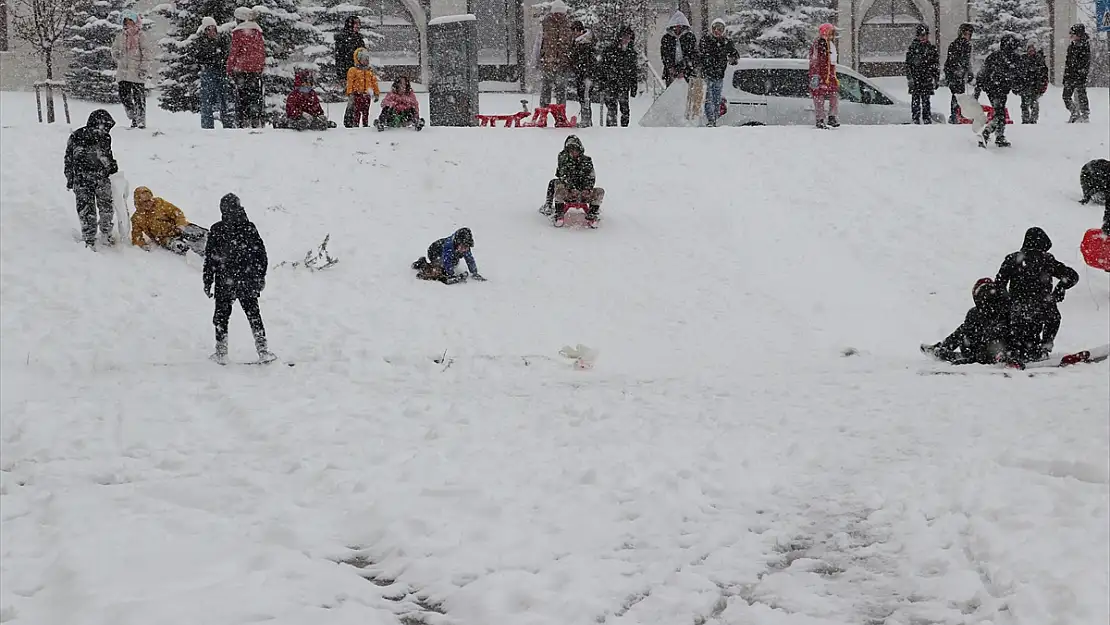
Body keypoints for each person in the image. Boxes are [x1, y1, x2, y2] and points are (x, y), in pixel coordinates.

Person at [203, 193, 273, 365]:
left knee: (221, 316)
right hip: (246, 279)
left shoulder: (217, 229)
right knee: (253, 314)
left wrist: (208, 280)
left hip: (224, 279)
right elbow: (261, 255)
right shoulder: (249, 227)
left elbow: (210, 258)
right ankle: (263, 350)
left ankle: (221, 351)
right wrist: (259, 276)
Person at [995, 227, 1079, 361]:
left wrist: (1007, 302)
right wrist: (1059, 290)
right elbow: (1072, 276)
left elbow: (999, 284)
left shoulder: (1013, 259)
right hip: (1042, 308)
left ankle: (1012, 351)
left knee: (1017, 333)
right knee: (1054, 318)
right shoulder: (1047, 260)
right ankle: (1043, 348)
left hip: (1017, 310)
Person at [64, 109, 119, 250]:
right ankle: (96, 236)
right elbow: (71, 157)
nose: (106, 129)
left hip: (92, 178)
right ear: (98, 123)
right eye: (104, 125)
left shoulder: (102, 137)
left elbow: (106, 155)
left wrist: (112, 166)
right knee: (95, 208)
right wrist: (70, 176)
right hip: (89, 179)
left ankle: (98, 236)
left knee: (96, 208)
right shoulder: (83, 136)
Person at [924, 278, 1012, 365]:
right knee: (965, 329)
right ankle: (943, 348)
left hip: (988, 353)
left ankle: (943, 349)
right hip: (990, 350)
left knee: (965, 330)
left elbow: (992, 333)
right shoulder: (1003, 308)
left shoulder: (985, 312)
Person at [540, 135, 604, 228]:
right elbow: (563, 175)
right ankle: (559, 213)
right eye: (571, 150)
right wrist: (571, 188)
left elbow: (591, 177)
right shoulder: (563, 159)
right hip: (568, 192)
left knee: (599, 191)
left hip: (583, 192)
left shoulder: (587, 161)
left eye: (575, 149)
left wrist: (587, 189)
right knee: (557, 184)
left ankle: (592, 214)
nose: (574, 152)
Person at [974, 33, 1021, 147]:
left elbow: (982, 73)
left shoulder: (995, 56)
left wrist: (979, 89)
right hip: (998, 89)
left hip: (993, 89)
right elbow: (1016, 75)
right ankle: (988, 132)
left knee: (999, 112)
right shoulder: (1011, 58)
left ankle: (999, 136)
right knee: (1000, 114)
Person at [130, 186, 207, 256]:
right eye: (144, 202)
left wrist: (180, 224)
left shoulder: (160, 204)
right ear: (138, 202)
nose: (148, 203)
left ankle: (212, 239)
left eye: (149, 200)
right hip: (165, 238)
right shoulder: (137, 218)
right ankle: (202, 252)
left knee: (198, 233)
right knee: (183, 247)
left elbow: (177, 213)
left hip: (178, 227)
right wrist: (142, 245)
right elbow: (136, 236)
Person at [111, 10, 153, 129]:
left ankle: (140, 121)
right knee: (124, 95)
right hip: (123, 72)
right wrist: (116, 54)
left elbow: (147, 53)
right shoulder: (120, 36)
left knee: (139, 97)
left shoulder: (141, 35)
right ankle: (132, 116)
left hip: (137, 71)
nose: (128, 24)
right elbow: (114, 49)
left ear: (135, 22)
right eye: (126, 21)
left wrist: (144, 68)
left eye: (130, 21)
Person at [227, 7, 266, 129]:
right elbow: (261, 52)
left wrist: (229, 68)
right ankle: (255, 117)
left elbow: (234, 52)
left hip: (241, 68)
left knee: (242, 95)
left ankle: (243, 119)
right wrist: (260, 67)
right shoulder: (257, 32)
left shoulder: (238, 33)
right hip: (255, 70)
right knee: (255, 94)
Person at [698, 18, 739, 128]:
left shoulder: (727, 42)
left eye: (720, 29)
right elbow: (699, 56)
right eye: (715, 28)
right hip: (707, 74)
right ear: (711, 29)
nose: (717, 31)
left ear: (723, 30)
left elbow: (734, 55)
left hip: (719, 75)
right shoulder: (705, 40)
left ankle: (715, 119)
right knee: (708, 99)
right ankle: (711, 120)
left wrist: (733, 59)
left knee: (716, 99)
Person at [195, 16, 234, 129]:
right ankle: (207, 125)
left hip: (221, 72)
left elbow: (226, 54)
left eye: (212, 28)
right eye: (208, 29)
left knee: (223, 99)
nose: (211, 31)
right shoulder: (201, 42)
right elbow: (200, 57)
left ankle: (227, 124)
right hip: (208, 72)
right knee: (207, 101)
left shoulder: (222, 39)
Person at [533, 0, 573, 107]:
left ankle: (561, 115)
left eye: (561, 14)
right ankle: (543, 113)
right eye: (557, 13)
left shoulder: (568, 25)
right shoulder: (545, 25)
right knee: (546, 90)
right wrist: (536, 60)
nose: (559, 16)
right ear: (553, 13)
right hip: (548, 64)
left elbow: (572, 43)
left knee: (561, 91)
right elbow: (538, 44)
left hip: (563, 64)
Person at [411, 228, 485, 284]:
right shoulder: (448, 246)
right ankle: (422, 264)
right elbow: (447, 261)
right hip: (435, 252)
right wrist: (450, 274)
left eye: (466, 247)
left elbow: (470, 260)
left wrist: (474, 273)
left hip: (451, 255)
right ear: (457, 243)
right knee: (439, 270)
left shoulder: (465, 248)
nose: (464, 250)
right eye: (462, 247)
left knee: (453, 263)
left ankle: (442, 269)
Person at [599, 25, 637, 128]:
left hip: (624, 85)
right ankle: (611, 127)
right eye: (624, 37)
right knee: (611, 108)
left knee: (625, 109)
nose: (626, 40)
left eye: (628, 37)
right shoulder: (610, 51)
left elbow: (633, 71)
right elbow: (603, 68)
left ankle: (624, 129)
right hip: (611, 83)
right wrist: (602, 82)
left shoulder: (631, 53)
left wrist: (634, 86)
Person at [334, 15, 365, 127]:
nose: (358, 26)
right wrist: (342, 76)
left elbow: (363, 56)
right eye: (355, 23)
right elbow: (339, 58)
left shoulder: (359, 39)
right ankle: (349, 121)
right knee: (352, 97)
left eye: (358, 23)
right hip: (348, 73)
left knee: (360, 97)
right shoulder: (342, 39)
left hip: (360, 73)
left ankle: (356, 120)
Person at [904, 24, 938, 125]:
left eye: (925, 35)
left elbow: (935, 64)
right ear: (918, 36)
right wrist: (910, 78)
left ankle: (926, 118)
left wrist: (936, 78)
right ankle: (915, 118)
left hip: (926, 78)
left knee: (926, 100)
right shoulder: (913, 48)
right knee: (915, 100)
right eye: (921, 35)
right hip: (916, 78)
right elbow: (908, 65)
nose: (923, 37)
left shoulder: (931, 48)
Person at [808, 23, 840, 129]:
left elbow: (831, 62)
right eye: (830, 32)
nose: (832, 35)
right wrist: (817, 74)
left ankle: (831, 117)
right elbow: (815, 60)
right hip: (821, 73)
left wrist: (832, 75)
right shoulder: (819, 43)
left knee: (833, 94)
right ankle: (820, 119)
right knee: (819, 96)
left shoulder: (830, 44)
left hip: (829, 74)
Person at [944, 23, 974, 124]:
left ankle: (959, 114)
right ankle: (954, 115)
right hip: (953, 74)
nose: (967, 36)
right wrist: (957, 71)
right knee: (956, 95)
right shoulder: (955, 45)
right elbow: (952, 61)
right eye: (965, 34)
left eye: (969, 34)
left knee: (961, 95)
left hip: (961, 75)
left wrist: (968, 72)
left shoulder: (967, 46)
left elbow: (967, 61)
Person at [568, 20, 596, 128]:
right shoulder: (577, 43)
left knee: (585, 97)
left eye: (575, 30)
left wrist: (587, 73)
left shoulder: (584, 43)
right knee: (582, 97)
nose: (574, 33)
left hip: (586, 74)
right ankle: (586, 118)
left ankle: (586, 119)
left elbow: (588, 61)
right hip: (581, 73)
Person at [660, 11, 698, 87]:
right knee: (672, 94)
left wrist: (684, 68)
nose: (677, 28)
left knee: (687, 95)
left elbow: (693, 54)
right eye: (675, 26)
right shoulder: (666, 38)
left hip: (687, 71)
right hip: (671, 73)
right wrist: (672, 68)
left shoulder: (690, 37)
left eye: (680, 26)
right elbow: (665, 55)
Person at [345, 48, 380, 128]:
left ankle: (365, 125)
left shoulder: (369, 71)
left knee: (366, 111)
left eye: (367, 59)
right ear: (358, 59)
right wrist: (350, 93)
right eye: (364, 59)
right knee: (356, 111)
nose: (366, 61)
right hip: (357, 95)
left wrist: (376, 93)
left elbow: (374, 83)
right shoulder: (353, 70)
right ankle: (355, 125)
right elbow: (350, 82)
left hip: (367, 95)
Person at [1063, 24, 1090, 123]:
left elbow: (1084, 63)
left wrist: (1080, 73)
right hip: (1070, 76)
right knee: (1066, 96)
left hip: (1079, 76)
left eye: (1073, 34)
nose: (1071, 36)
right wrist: (1066, 76)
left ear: (1078, 34)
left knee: (1081, 94)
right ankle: (1074, 113)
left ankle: (1084, 115)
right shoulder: (1072, 46)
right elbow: (1068, 63)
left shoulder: (1084, 45)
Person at [1017, 42, 1048, 124]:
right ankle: (1025, 118)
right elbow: (1019, 72)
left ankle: (1033, 119)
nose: (1031, 52)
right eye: (1029, 50)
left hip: (1035, 86)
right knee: (1024, 103)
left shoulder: (1039, 60)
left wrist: (1043, 84)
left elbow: (1044, 74)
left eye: (1032, 50)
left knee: (1034, 103)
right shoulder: (1023, 59)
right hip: (1025, 85)